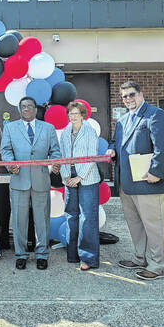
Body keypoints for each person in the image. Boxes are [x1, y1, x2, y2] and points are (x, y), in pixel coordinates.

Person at [106, 80, 164, 281]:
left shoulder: (156, 115)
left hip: (150, 181)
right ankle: (141, 258)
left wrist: (156, 171)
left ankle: (157, 266)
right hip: (128, 183)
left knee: (155, 226)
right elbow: (116, 140)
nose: (128, 99)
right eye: (124, 96)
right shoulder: (123, 121)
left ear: (140, 94)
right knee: (135, 224)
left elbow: (163, 147)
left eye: (131, 95)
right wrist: (111, 148)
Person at [0, 96, 61, 270]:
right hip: (19, 179)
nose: (26, 109)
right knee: (19, 220)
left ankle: (42, 254)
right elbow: (5, 151)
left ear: (35, 109)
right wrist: (10, 164)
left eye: (29, 106)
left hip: (41, 178)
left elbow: (55, 151)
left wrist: (55, 163)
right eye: (23, 106)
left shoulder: (48, 128)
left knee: (42, 219)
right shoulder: (10, 128)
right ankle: (21, 254)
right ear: (19, 110)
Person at [59, 101, 101, 271]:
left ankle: (88, 258)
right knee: (71, 215)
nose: (73, 117)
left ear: (83, 115)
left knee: (87, 218)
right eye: (70, 113)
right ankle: (73, 254)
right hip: (69, 176)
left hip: (87, 178)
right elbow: (62, 156)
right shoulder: (64, 133)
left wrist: (79, 177)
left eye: (76, 114)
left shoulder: (89, 131)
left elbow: (92, 156)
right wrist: (66, 176)